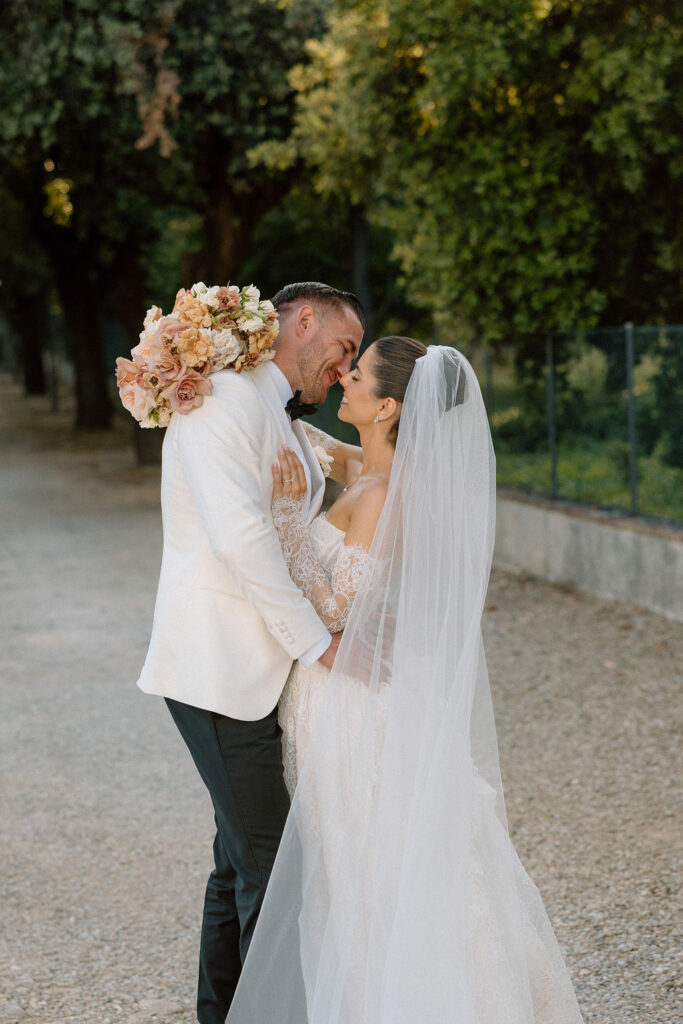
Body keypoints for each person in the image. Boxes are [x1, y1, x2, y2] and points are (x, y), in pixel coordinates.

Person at [226, 339, 584, 1023]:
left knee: (362, 864)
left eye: (354, 376)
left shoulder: (384, 492)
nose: (342, 380)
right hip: (340, 692)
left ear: (386, 405)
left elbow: (337, 609)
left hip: (352, 700)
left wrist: (285, 522)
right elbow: (314, 441)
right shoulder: (372, 468)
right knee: (353, 862)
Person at [135, 282, 364, 1024]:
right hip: (216, 670)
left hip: (252, 673)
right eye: (344, 349)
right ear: (302, 320)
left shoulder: (274, 411)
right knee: (273, 869)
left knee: (236, 864)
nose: (344, 367)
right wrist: (316, 641)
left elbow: (331, 479)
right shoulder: (225, 403)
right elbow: (241, 543)